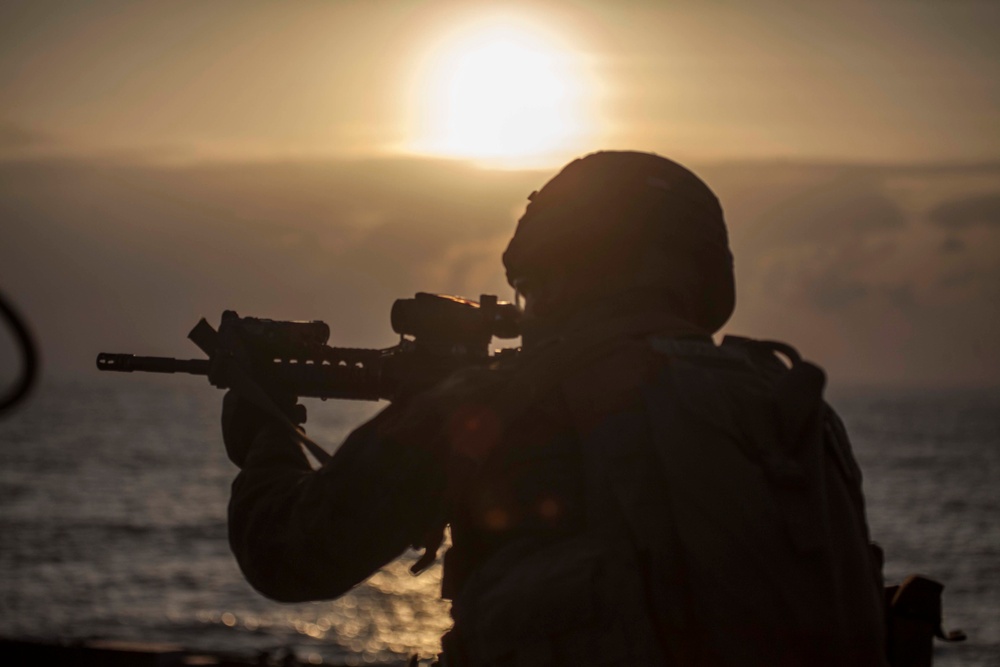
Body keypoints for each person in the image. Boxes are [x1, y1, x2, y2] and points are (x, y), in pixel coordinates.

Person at [222, 151, 888, 666]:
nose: (523, 311)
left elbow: (289, 553)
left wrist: (266, 437)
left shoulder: (508, 398)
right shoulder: (792, 409)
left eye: (530, 286)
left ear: (564, 271)